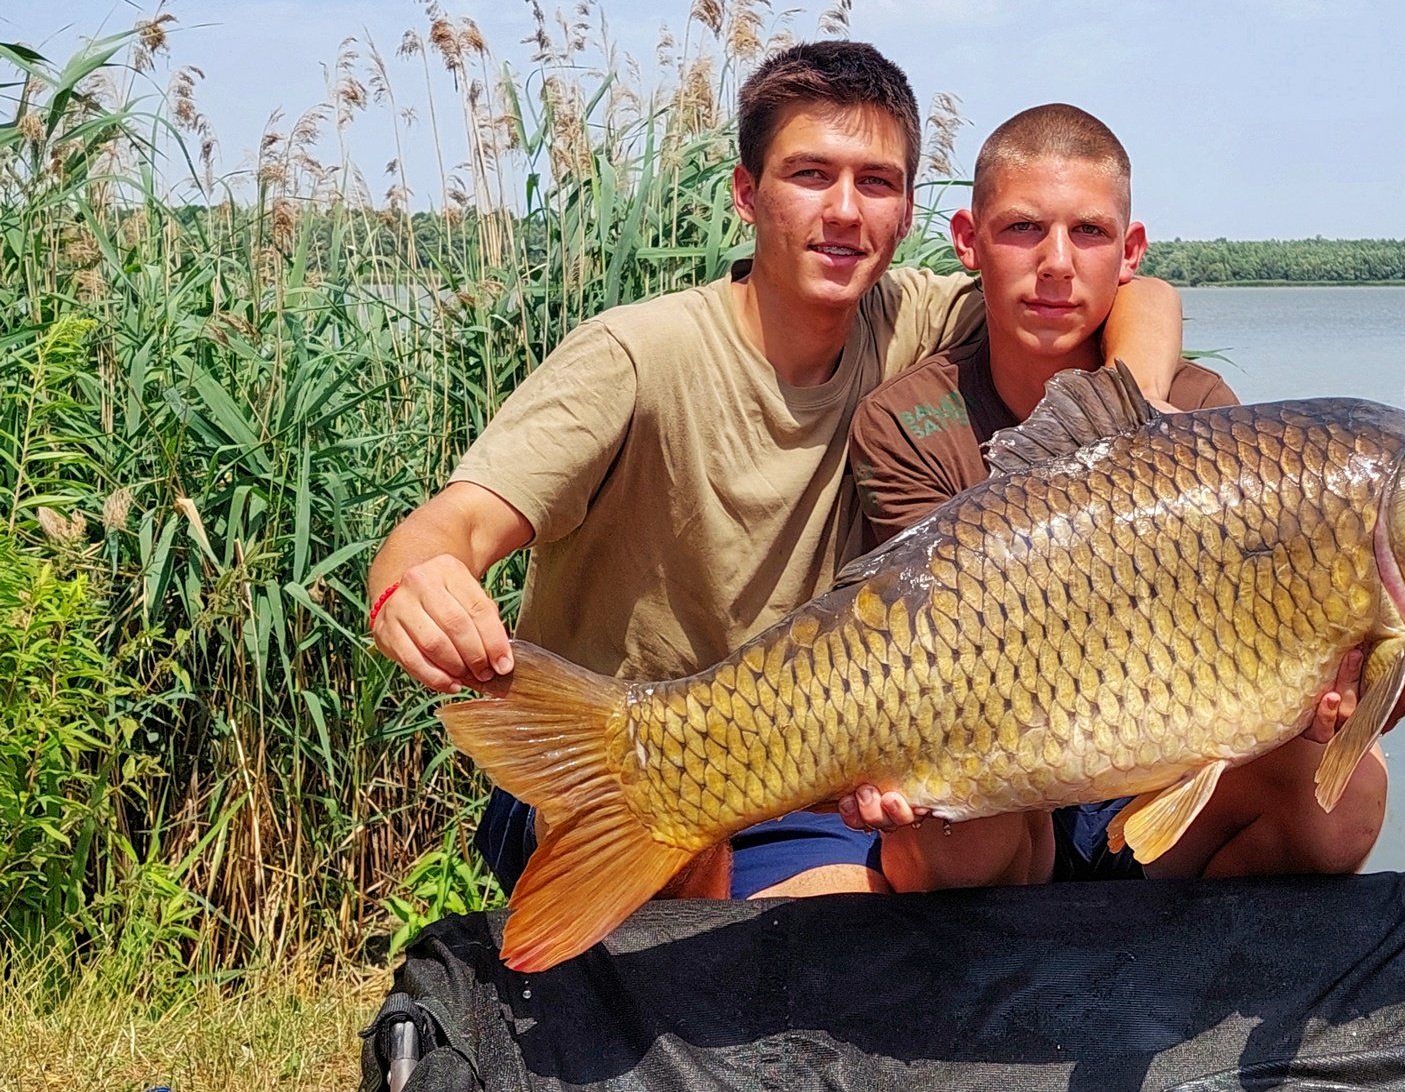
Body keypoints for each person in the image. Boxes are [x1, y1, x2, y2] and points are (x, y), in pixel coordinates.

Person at [366, 46, 1188, 901]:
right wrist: (416, 584)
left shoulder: (913, 317)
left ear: (908, 211)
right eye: (809, 174)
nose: (843, 211)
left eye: (876, 182)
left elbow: (1139, 292)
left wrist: (1138, 417)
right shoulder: (636, 356)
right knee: (705, 880)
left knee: (843, 932)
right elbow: (451, 526)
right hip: (613, 755)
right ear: (747, 194)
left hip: (803, 772)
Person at [842, 103, 1405, 891]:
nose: (1056, 262)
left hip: (1156, 766)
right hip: (1003, 774)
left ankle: (1180, 964)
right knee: (944, 838)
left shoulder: (1203, 406)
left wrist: (1322, 702)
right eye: (1022, 229)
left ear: (1130, 252)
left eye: (1088, 233)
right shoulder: (908, 421)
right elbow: (936, 643)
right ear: (967, 243)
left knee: (1349, 796)